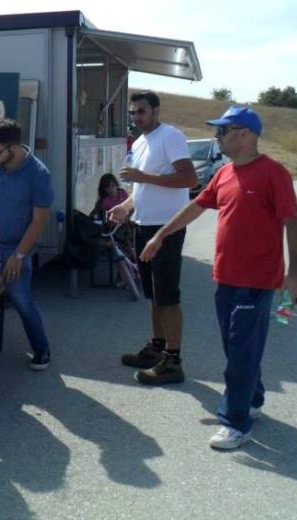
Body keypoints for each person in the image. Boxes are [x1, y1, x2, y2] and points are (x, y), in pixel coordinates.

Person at [141, 105, 297, 449]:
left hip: (257, 281)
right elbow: (196, 206)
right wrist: (161, 235)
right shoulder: (225, 173)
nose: (216, 137)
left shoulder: (273, 173)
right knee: (236, 348)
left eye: (222, 131)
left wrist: (295, 274)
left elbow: (293, 222)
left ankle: (235, 421)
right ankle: (253, 398)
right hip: (225, 277)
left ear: (245, 134)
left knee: (241, 352)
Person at [109, 90, 197, 385]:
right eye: (132, 112)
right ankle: (157, 348)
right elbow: (140, 188)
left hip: (167, 228)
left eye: (141, 111)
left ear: (156, 111)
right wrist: (125, 206)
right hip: (143, 225)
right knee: (154, 294)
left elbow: (189, 179)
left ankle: (173, 361)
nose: (136, 117)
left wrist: (143, 178)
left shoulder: (170, 136)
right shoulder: (140, 142)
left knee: (167, 295)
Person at [0, 118, 53, 370]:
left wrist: (18, 256)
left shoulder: (38, 174)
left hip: (15, 247)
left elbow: (39, 221)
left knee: (21, 299)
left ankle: (41, 349)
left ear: (14, 147)